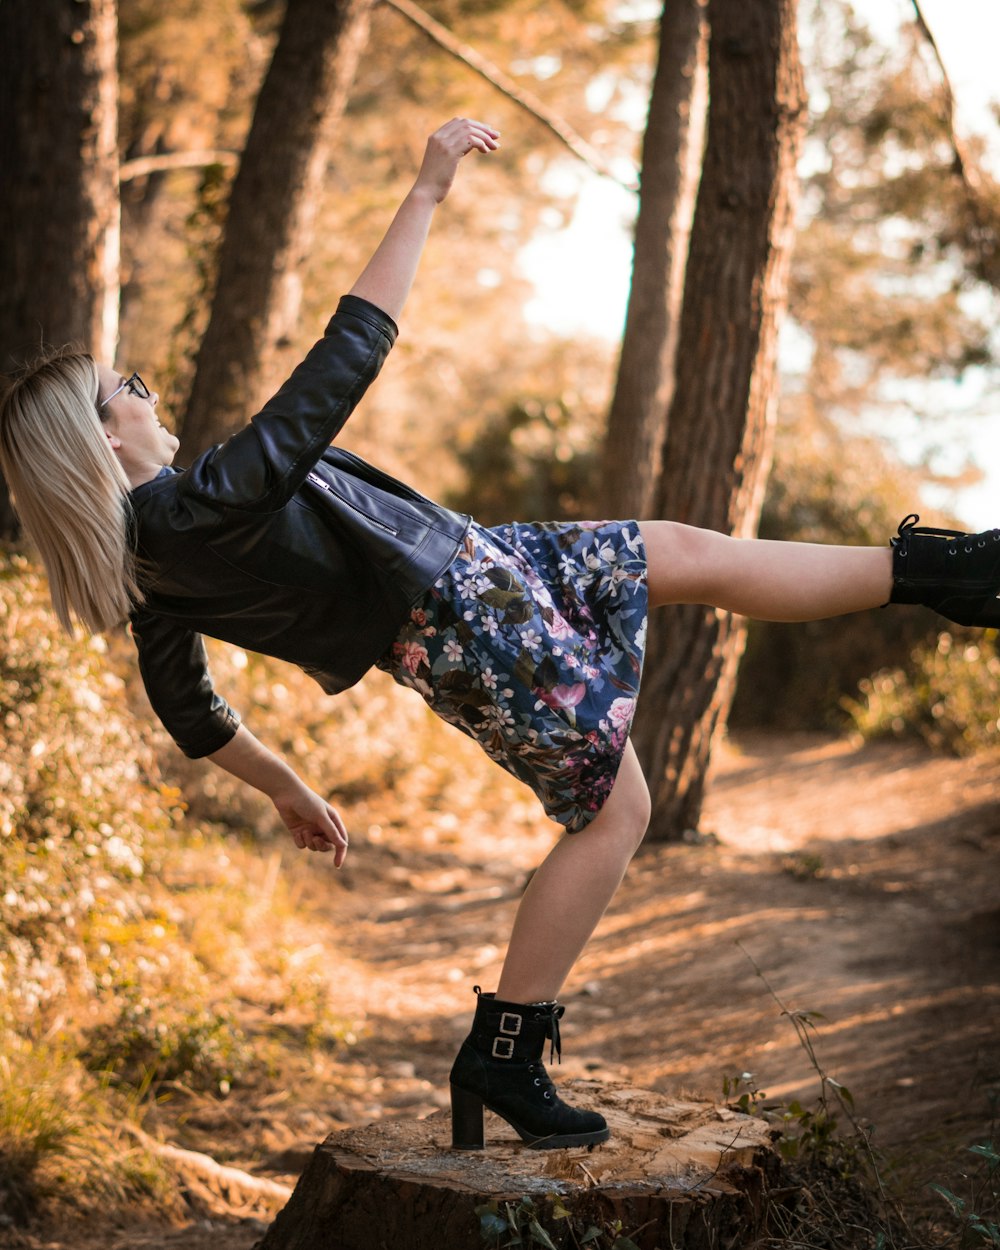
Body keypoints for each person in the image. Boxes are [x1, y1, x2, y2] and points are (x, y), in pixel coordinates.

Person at [2, 117, 999, 1153]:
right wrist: (425, 193)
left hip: (476, 564)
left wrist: (289, 790)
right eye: (130, 388)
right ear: (102, 436)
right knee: (616, 813)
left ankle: (945, 571)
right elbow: (347, 355)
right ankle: (507, 1052)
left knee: (685, 552)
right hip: (467, 615)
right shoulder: (192, 506)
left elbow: (191, 713)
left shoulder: (149, 564)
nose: (147, 390)